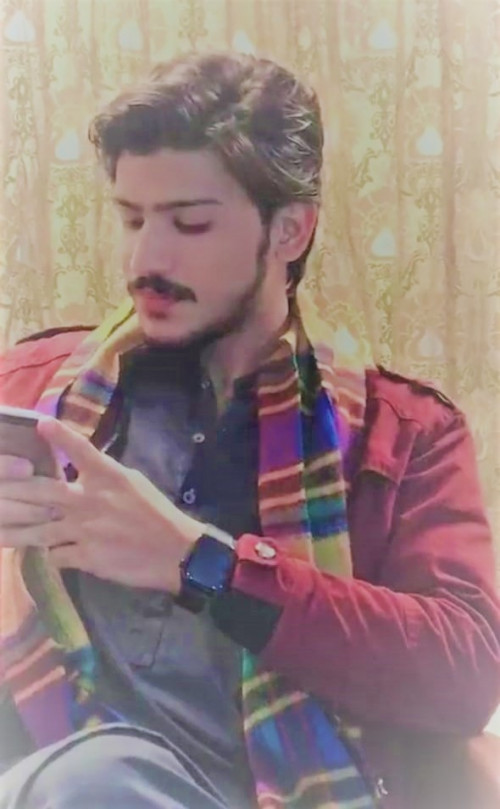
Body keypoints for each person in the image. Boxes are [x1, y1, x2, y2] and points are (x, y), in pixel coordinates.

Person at [0, 51, 499, 809]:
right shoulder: (34, 388)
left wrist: (203, 564)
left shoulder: (403, 434)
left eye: (190, 223)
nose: (144, 258)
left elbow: (465, 677)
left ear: (289, 231)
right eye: (130, 218)